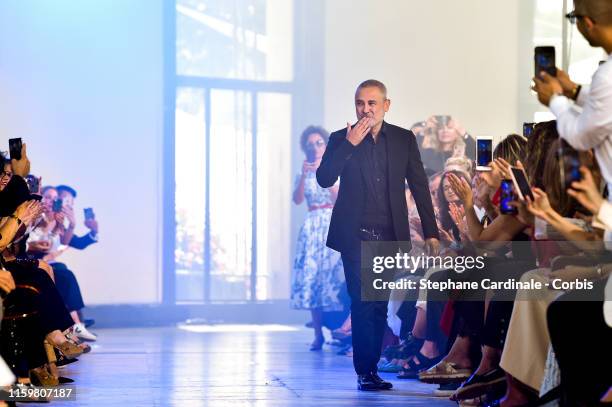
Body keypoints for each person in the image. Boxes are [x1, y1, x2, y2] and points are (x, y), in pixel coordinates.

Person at [317, 79, 440, 391]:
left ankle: (370, 370)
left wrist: (431, 232)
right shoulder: (339, 139)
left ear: (386, 105)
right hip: (354, 234)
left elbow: (419, 185)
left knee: (379, 303)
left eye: (372, 103)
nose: (365, 109)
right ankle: (366, 371)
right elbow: (324, 177)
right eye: (360, 103)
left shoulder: (402, 139)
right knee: (362, 301)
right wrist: (349, 145)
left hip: (388, 235)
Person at [533, 0, 612, 186]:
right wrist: (574, 91)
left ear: (587, 22)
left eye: (573, 18)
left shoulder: (607, 75)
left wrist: (554, 100)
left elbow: (580, 136)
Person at [290, 125, 346, 351]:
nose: (315, 147)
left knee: (333, 277)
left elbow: (339, 198)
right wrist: (305, 175)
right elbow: (297, 199)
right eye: (310, 144)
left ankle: (339, 330)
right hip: (312, 225)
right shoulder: (304, 170)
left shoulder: (336, 168)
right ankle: (317, 333)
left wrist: (326, 173)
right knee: (312, 279)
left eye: (319, 143)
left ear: (326, 144)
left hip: (332, 221)